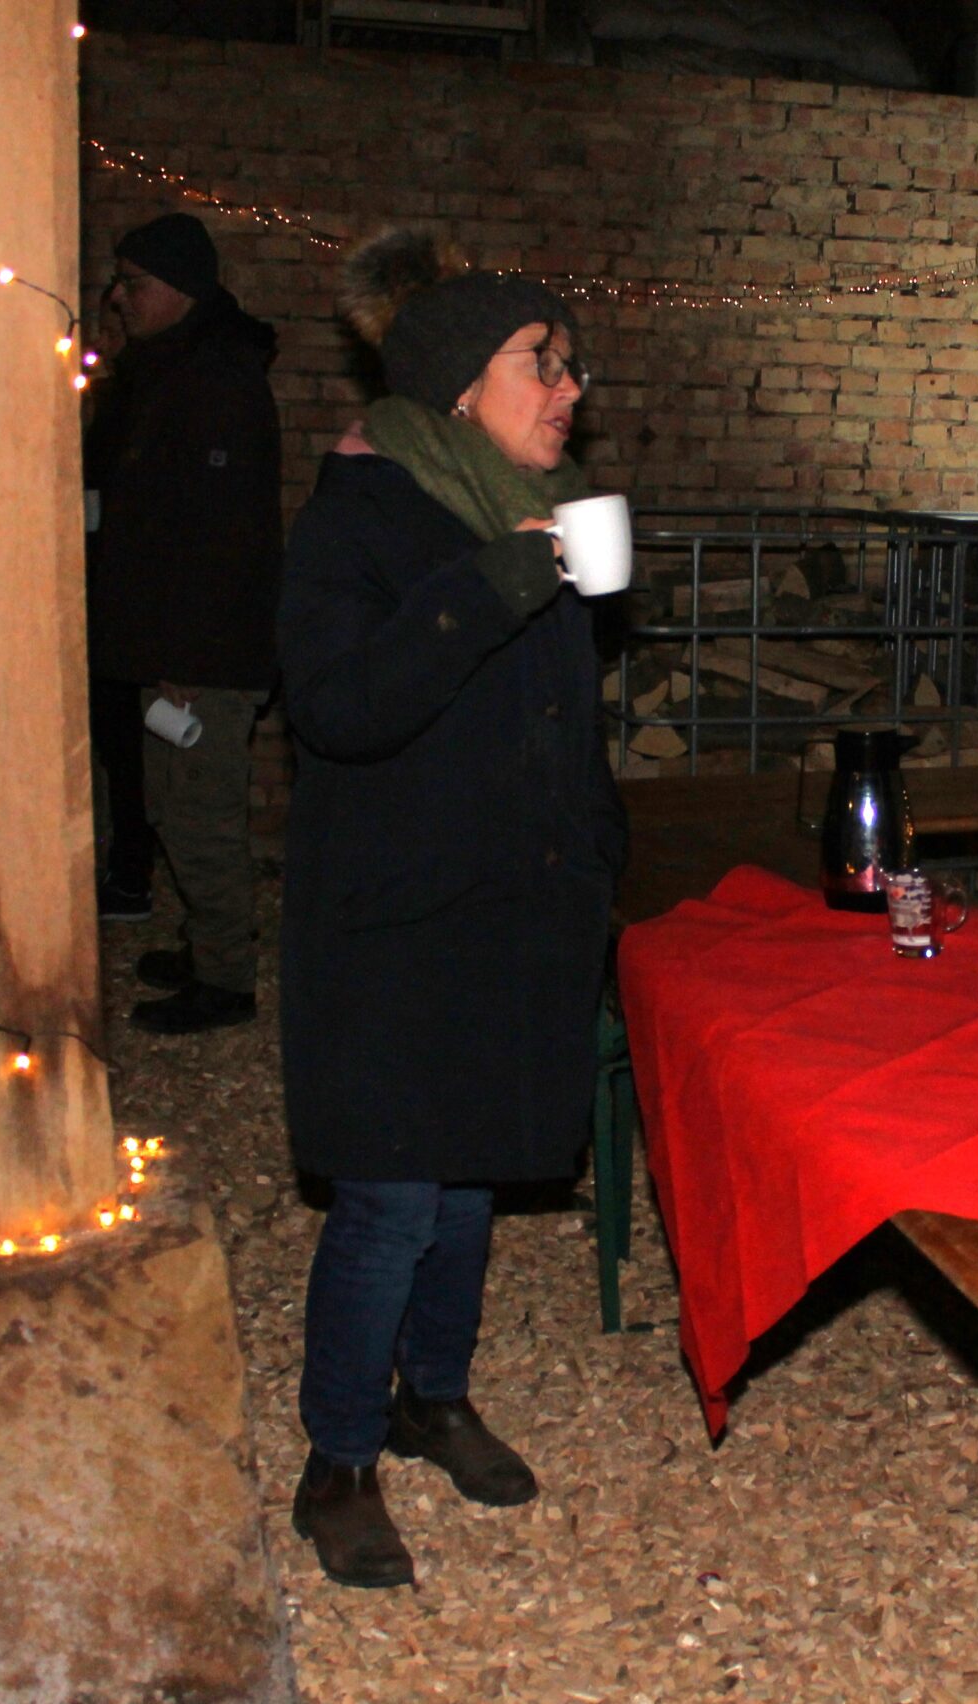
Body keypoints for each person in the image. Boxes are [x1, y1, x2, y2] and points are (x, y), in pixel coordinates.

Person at [276, 231, 624, 1589]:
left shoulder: (538, 510)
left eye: (571, 365)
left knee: (469, 1180)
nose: (570, 389)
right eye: (543, 363)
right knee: (390, 1199)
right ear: (459, 385)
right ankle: (338, 1455)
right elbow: (340, 707)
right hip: (397, 918)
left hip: (512, 910)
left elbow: (562, 724)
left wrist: (595, 858)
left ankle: (434, 1395)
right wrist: (492, 586)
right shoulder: (362, 518)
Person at [84, 212, 285, 1034]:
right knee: (175, 805)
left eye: (134, 283)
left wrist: (187, 657)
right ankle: (209, 945)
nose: (119, 298)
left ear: (180, 288)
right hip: (176, 643)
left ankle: (226, 980)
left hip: (203, 653)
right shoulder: (172, 370)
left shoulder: (216, 382)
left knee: (200, 815)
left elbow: (219, 535)